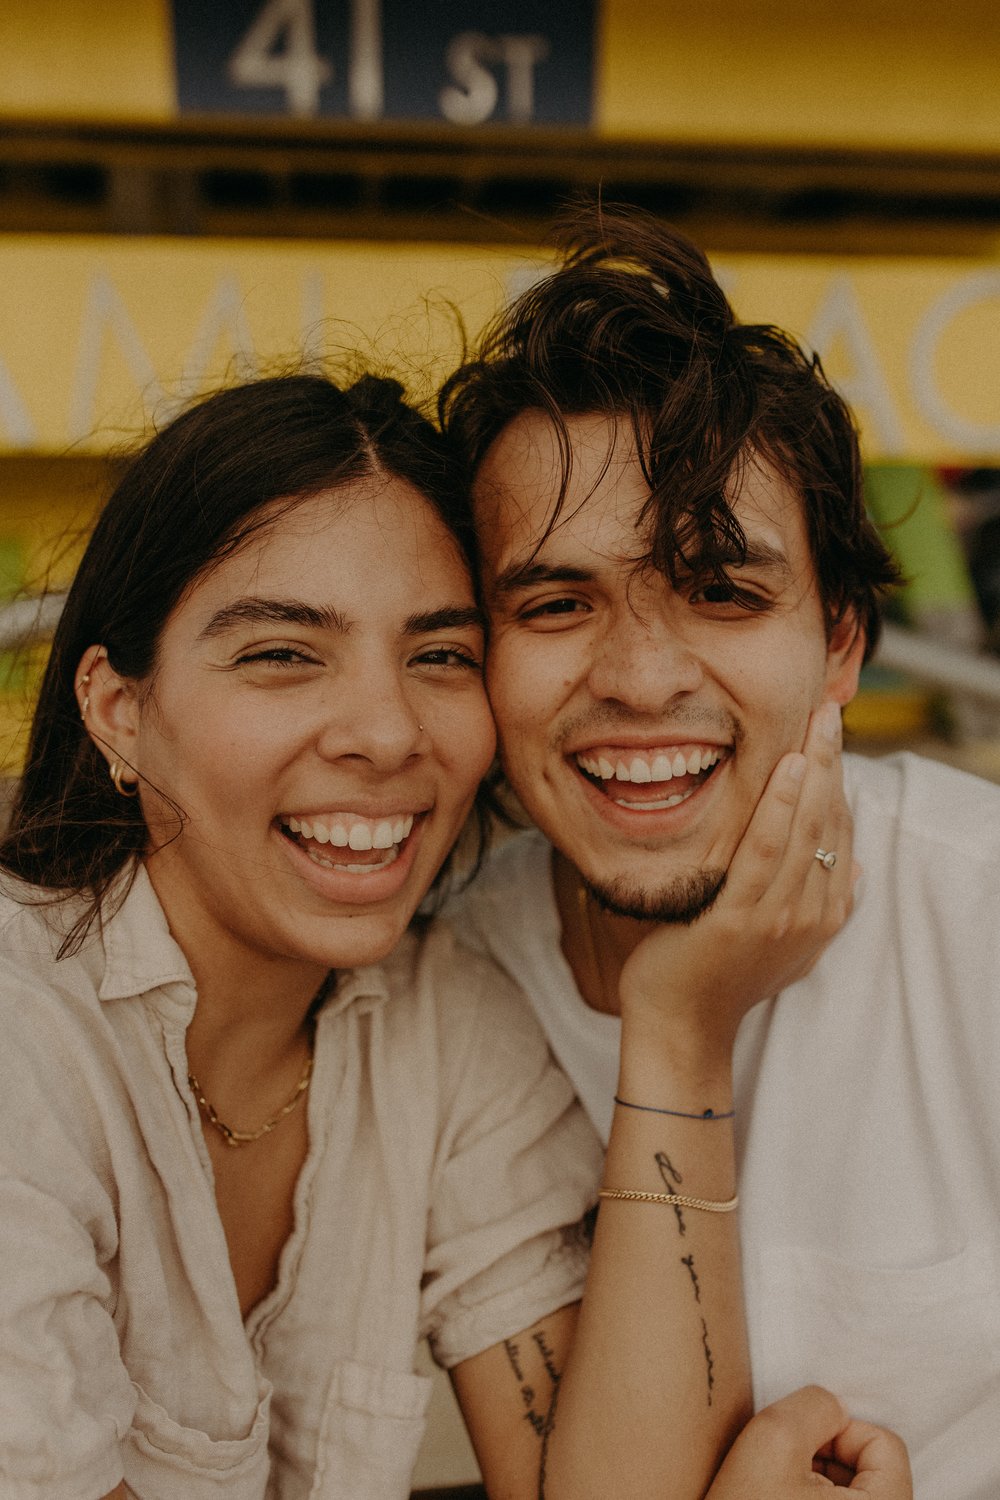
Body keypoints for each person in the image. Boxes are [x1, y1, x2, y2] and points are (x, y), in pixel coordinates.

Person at [0, 369, 906, 1500]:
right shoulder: (23, 1036)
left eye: (439, 655)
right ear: (116, 709)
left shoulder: (437, 1020)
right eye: (282, 654)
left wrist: (678, 1026)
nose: (385, 734)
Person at [441, 204, 1000, 1499]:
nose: (641, 677)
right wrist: (678, 1026)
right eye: (559, 602)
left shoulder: (977, 922)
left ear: (843, 643)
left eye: (722, 590)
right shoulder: (440, 996)